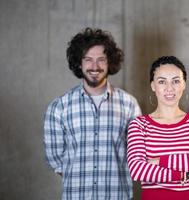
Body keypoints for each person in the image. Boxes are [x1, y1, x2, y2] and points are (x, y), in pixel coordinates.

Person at [44, 27, 141, 200]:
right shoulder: (59, 107)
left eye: (101, 60)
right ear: (78, 63)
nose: (94, 66)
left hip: (117, 195)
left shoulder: (129, 104)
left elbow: (138, 153)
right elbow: (56, 160)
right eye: (88, 59)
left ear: (110, 62)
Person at [127, 56, 189, 200]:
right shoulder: (139, 125)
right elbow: (137, 170)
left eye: (176, 81)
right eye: (162, 81)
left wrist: (159, 161)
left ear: (184, 84)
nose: (169, 88)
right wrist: (183, 173)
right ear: (153, 85)